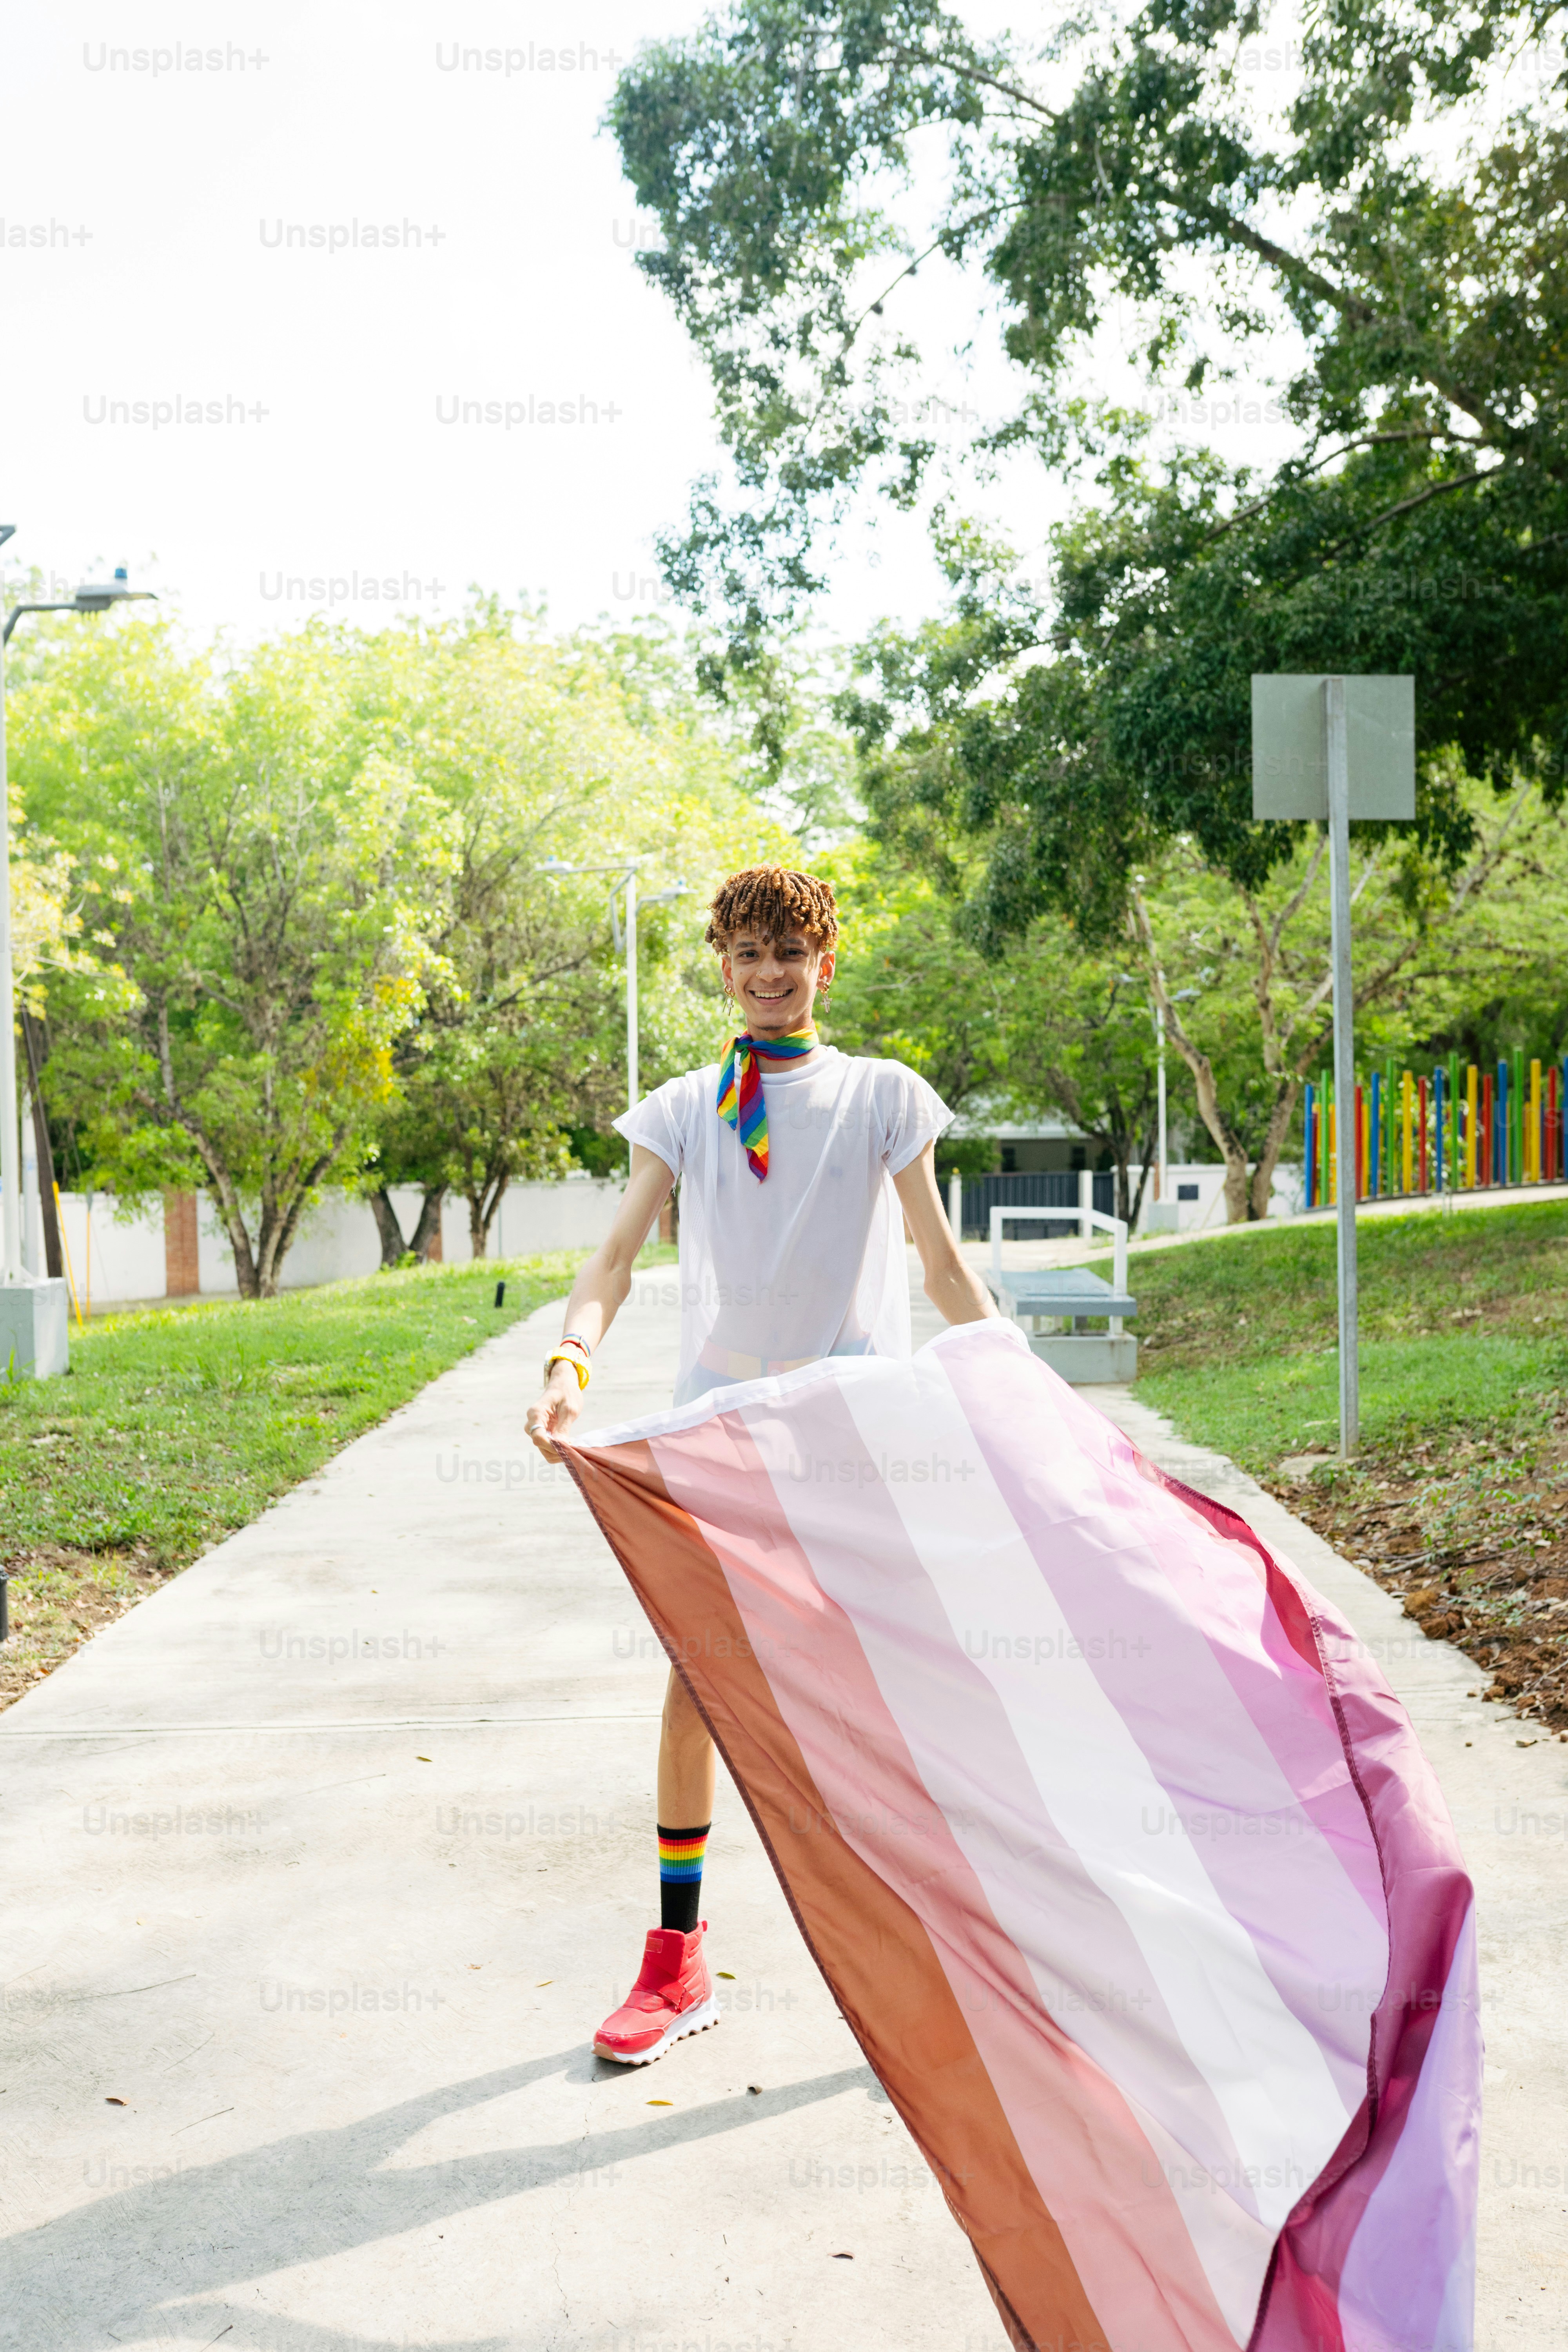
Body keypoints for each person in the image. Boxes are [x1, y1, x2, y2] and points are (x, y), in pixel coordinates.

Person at [524, 863, 997, 2065]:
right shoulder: (687, 1109)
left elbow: (939, 1264)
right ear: (722, 970)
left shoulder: (886, 1098)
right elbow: (617, 1256)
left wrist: (1009, 1375)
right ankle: (678, 1967)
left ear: (824, 967)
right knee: (699, 1692)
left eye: (791, 953)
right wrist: (572, 1361)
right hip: (724, 1447)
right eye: (748, 954)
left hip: (859, 1442)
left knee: (899, 1706)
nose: (770, 974)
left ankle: (945, 1973)